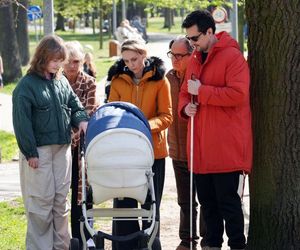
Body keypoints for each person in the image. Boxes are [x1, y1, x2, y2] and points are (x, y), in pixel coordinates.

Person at [178, 10, 252, 250]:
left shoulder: (233, 57)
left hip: (225, 148)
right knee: (207, 204)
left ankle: (238, 246)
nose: (192, 44)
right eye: (189, 39)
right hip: (199, 148)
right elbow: (184, 93)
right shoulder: (195, 58)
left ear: (210, 32)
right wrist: (184, 108)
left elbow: (238, 94)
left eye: (195, 38)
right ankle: (211, 246)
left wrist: (203, 92)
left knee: (228, 204)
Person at [12, 34, 89, 250]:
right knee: (41, 203)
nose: (58, 65)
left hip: (62, 149)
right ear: (43, 57)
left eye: (60, 60)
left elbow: (74, 106)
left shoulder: (61, 81)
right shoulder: (26, 86)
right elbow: (22, 122)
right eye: (54, 60)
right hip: (39, 151)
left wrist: (82, 120)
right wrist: (31, 153)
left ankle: (61, 246)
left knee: (60, 202)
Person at [108, 39, 173, 250]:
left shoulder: (160, 81)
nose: (131, 65)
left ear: (144, 55)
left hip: (153, 152)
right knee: (124, 207)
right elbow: (112, 112)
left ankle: (150, 244)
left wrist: (143, 125)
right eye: (126, 61)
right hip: (124, 153)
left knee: (150, 206)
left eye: (134, 59)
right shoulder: (117, 81)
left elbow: (167, 116)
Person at [166, 36, 201, 250]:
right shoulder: (168, 78)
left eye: (180, 55)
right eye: (172, 55)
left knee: (205, 200)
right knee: (185, 201)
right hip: (177, 150)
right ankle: (187, 240)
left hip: (199, 150)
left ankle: (207, 240)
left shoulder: (198, 76)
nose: (175, 60)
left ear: (191, 54)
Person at [63, 41, 98, 248]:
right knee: (58, 197)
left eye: (75, 61)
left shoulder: (89, 83)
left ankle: (84, 238)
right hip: (59, 148)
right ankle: (63, 239)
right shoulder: (55, 82)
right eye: (67, 62)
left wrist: (68, 140)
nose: (72, 66)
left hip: (80, 148)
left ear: (83, 60)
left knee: (82, 195)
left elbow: (88, 113)